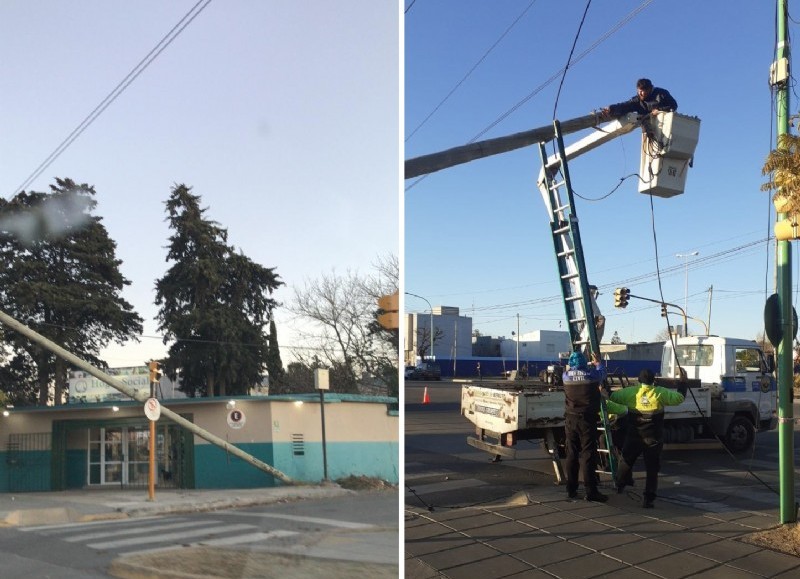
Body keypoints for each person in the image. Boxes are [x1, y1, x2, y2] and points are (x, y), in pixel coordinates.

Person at [610, 368, 686, 508]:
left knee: (626, 461)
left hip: (634, 435)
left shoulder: (631, 392)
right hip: (653, 437)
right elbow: (680, 398)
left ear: (639, 381)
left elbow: (612, 397)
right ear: (653, 380)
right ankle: (649, 499)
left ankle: (620, 484)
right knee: (652, 469)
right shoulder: (660, 393)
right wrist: (683, 382)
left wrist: (603, 388)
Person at [562, 350, 608, 502]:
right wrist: (598, 363)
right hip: (587, 420)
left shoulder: (566, 376)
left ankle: (571, 489)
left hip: (570, 419)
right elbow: (602, 373)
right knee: (588, 454)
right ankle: (591, 491)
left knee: (571, 454)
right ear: (584, 363)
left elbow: (572, 371)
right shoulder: (590, 376)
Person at [602, 78, 677, 119]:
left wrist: (659, 110)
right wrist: (611, 108)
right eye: (640, 91)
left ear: (650, 88)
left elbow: (673, 105)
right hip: (649, 129)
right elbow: (625, 106)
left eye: (645, 91)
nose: (642, 93)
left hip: (665, 123)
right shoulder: (637, 101)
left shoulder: (661, 93)